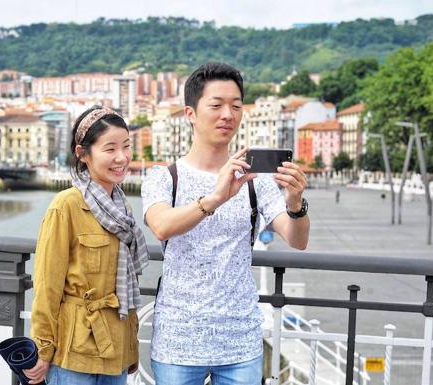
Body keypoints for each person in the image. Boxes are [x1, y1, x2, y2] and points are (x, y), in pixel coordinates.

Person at [141, 62, 310, 385]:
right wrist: (216, 197)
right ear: (190, 113)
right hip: (178, 340)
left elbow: (297, 239)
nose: (227, 115)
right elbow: (161, 226)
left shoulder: (255, 183)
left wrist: (295, 202)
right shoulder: (164, 178)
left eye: (236, 106)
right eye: (216, 105)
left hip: (240, 341)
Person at [25, 106, 149, 385]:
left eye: (126, 147)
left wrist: (131, 347)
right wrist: (42, 349)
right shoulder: (66, 205)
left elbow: (127, 287)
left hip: (116, 347)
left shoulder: (122, 208)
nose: (122, 158)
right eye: (110, 149)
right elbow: (47, 285)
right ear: (83, 154)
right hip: (76, 349)